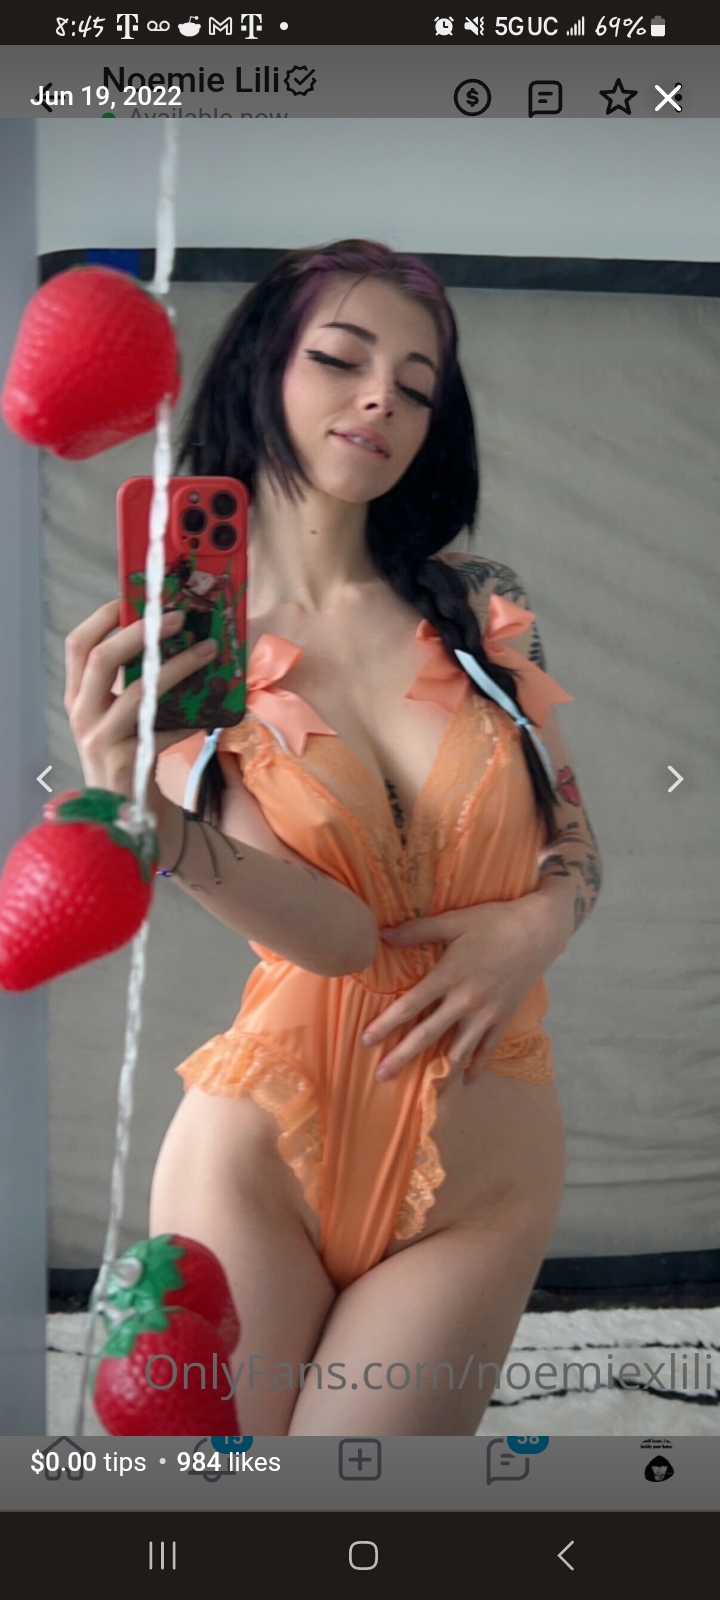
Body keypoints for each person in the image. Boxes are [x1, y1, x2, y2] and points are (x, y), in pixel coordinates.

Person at [64, 240, 602, 1436]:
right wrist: (156, 822)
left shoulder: (484, 604)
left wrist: (534, 924)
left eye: (416, 384)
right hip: (264, 1157)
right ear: (262, 367)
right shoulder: (187, 652)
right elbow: (337, 936)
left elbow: (574, 840)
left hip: (485, 1182)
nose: (381, 399)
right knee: (224, 1514)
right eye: (340, 359)